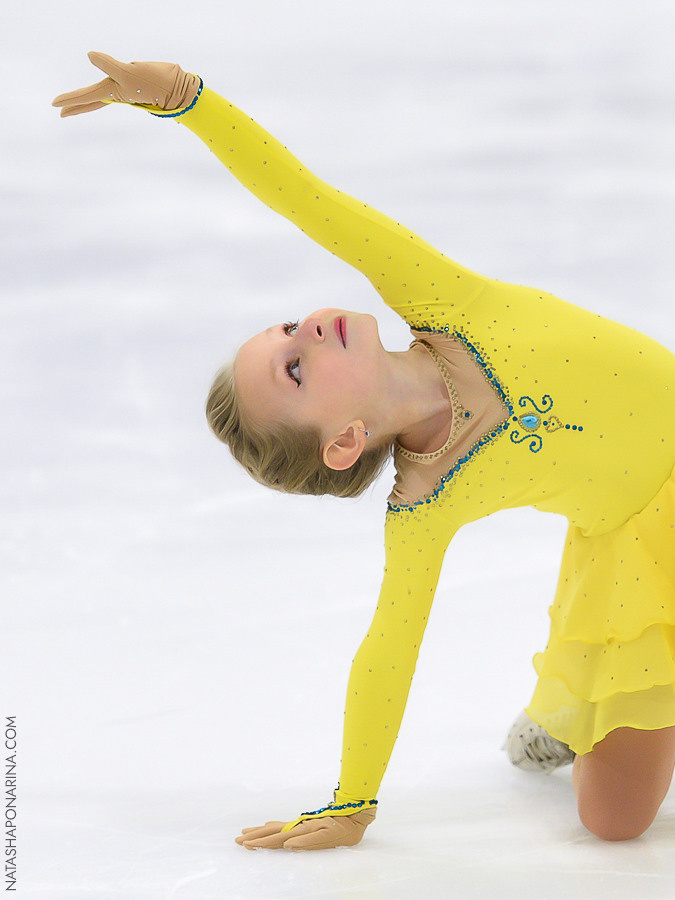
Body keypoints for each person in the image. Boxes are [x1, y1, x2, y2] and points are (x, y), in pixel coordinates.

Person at [53, 53, 675, 849]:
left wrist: (185, 101)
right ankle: (579, 714)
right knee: (610, 825)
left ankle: (570, 712)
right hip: (638, 544)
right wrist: (352, 801)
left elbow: (306, 199)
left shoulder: (442, 299)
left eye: (287, 329)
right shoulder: (424, 505)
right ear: (344, 441)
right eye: (296, 369)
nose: (306, 329)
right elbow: (387, 648)